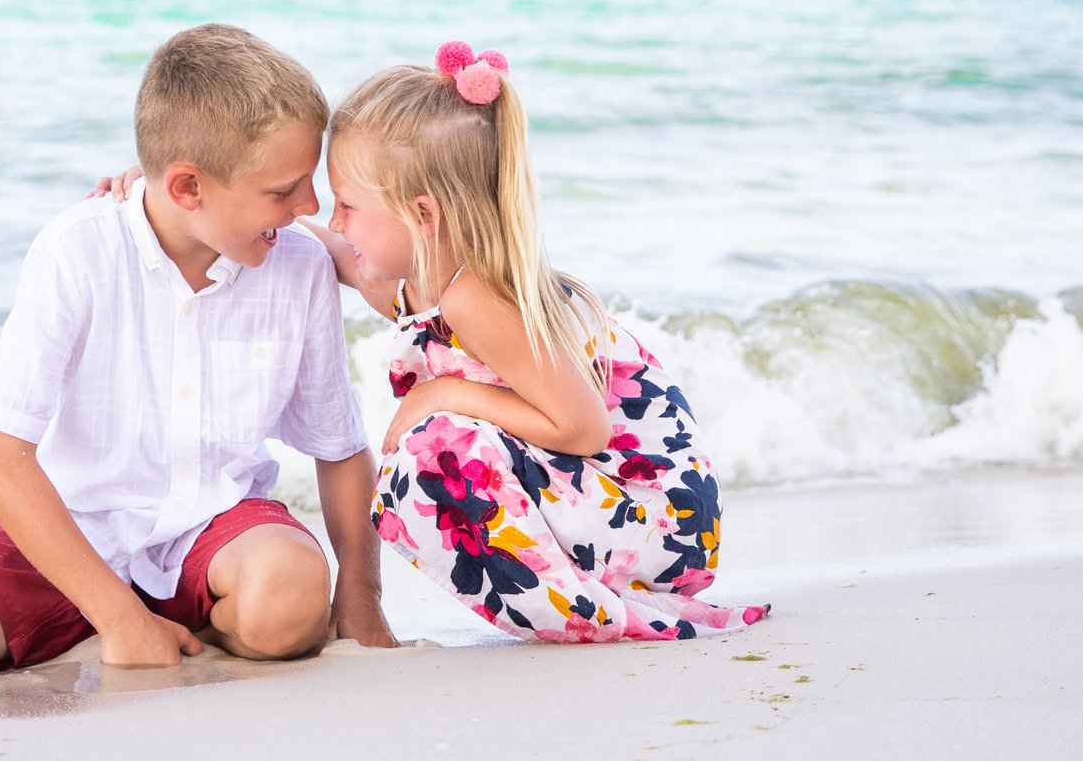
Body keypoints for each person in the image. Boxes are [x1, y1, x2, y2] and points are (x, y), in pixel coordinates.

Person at [0, 24, 395, 685]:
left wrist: (361, 601)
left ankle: (180, 614)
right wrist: (120, 621)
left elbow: (338, 445)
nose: (310, 207)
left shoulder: (295, 264)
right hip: (71, 536)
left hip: (217, 533)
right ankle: (71, 613)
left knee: (288, 601)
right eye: (284, 189)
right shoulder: (76, 249)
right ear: (188, 188)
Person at [312, 40, 769, 642]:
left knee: (429, 456)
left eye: (346, 204)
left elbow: (584, 430)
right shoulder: (425, 279)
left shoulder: (476, 295)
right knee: (430, 453)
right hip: (612, 507)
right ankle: (593, 602)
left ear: (424, 216)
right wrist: (233, 206)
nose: (336, 219)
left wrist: (445, 391)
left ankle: (597, 613)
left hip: (657, 513)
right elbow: (335, 251)